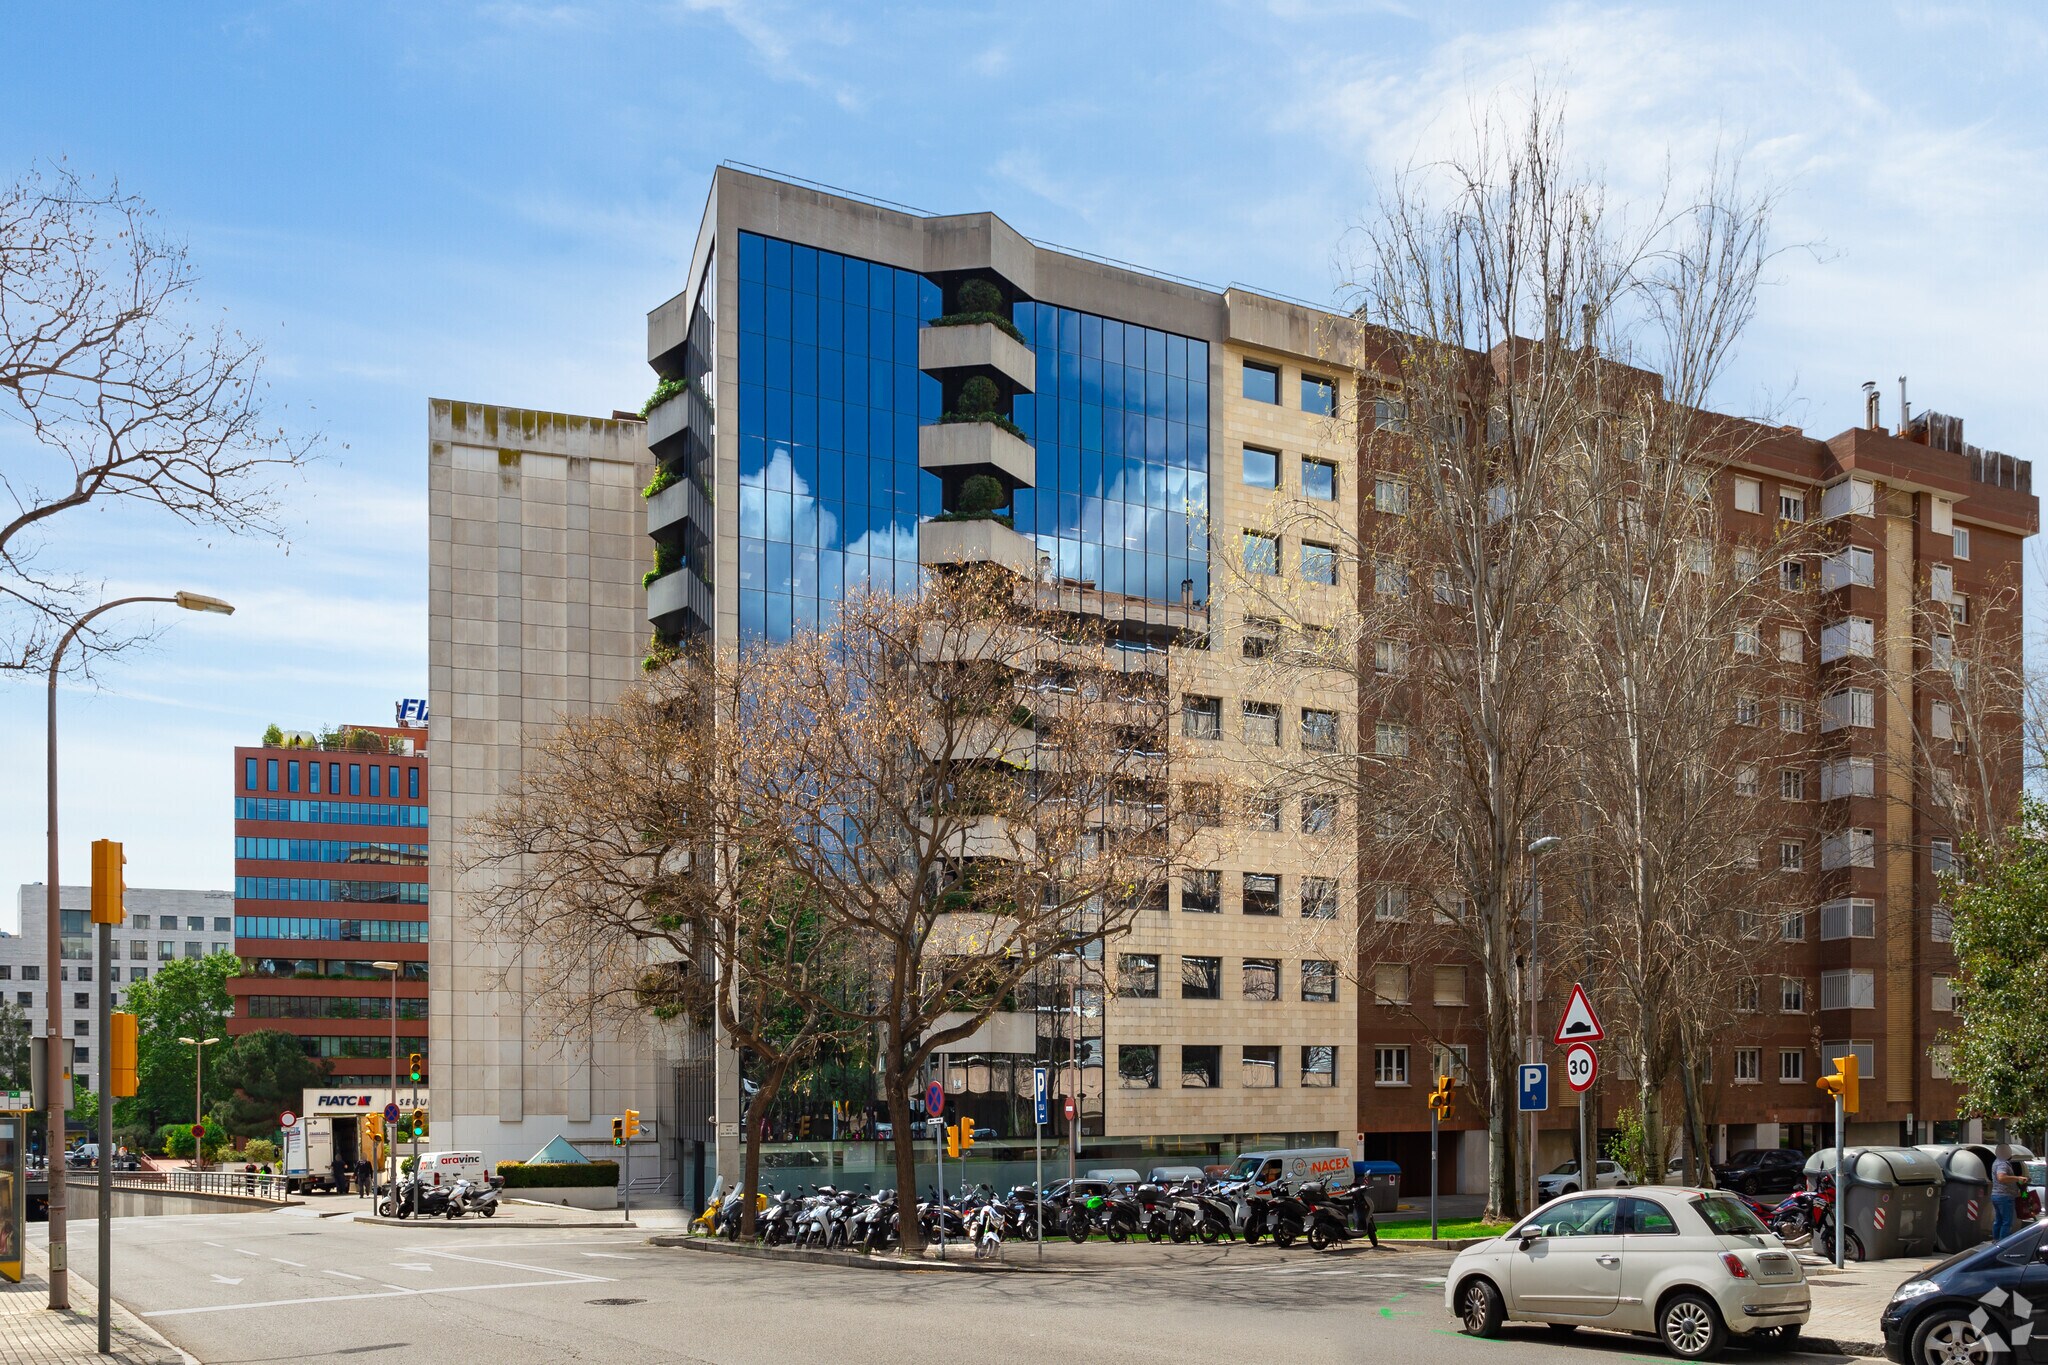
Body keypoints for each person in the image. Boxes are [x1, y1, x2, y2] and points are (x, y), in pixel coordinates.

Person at [1992, 1143, 2022, 1240]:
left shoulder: (1996, 1162)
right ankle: (2003, 1244)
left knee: (1998, 1220)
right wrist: (2018, 1178)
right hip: (2004, 1196)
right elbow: (2001, 1177)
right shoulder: (2002, 1164)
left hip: (1996, 1195)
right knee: (2007, 1222)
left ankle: (1996, 1241)